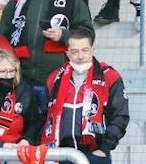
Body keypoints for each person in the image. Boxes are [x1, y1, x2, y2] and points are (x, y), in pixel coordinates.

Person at [42, 26, 127, 164]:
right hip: (60, 155)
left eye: (85, 50)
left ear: (92, 50)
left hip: (95, 154)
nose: (80, 56)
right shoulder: (54, 78)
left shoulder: (109, 76)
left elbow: (120, 116)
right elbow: (44, 118)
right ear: (67, 53)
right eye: (74, 51)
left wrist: (103, 149)